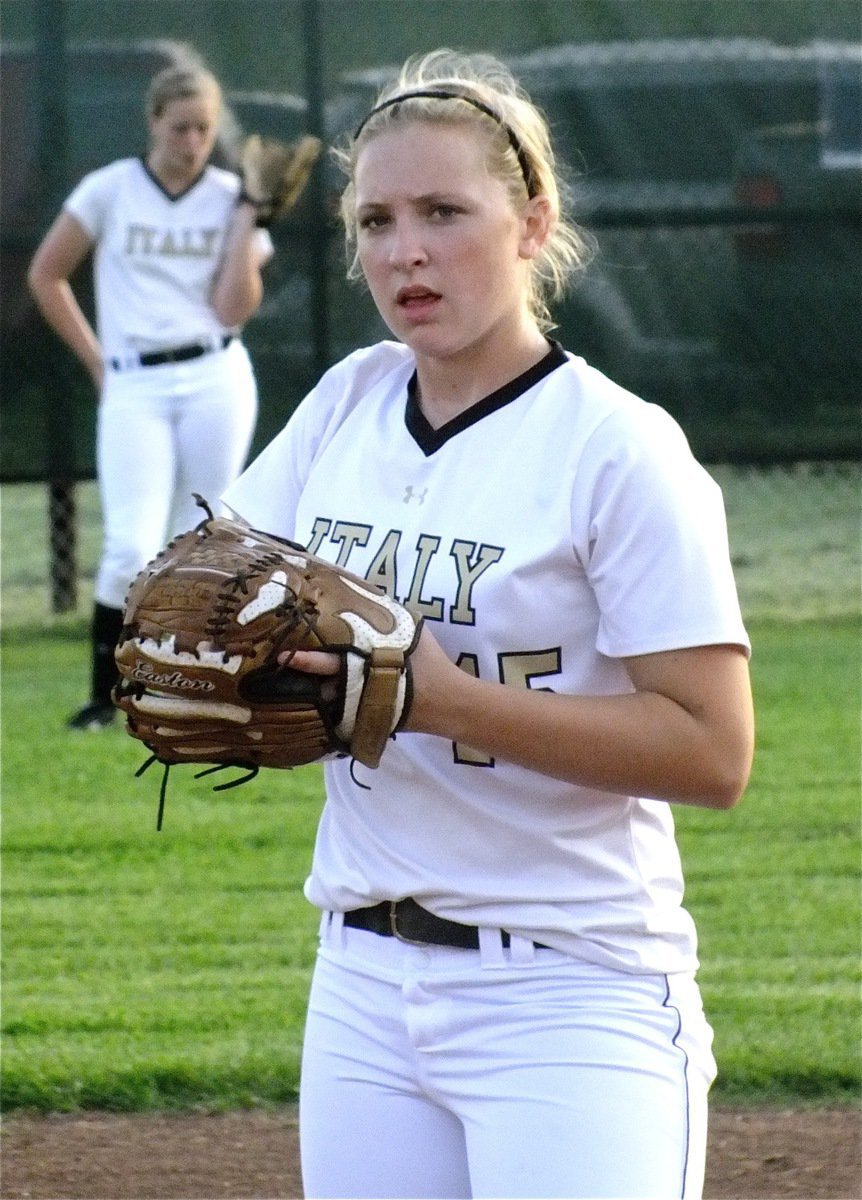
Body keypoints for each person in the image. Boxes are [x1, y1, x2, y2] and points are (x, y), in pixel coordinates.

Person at [222, 49, 755, 1200]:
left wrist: (436, 695)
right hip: (361, 985)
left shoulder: (616, 449)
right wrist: (216, 669)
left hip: (570, 991)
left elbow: (711, 753)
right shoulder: (348, 403)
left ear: (530, 224)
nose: (403, 250)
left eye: (442, 212)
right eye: (374, 219)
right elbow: (220, 589)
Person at [28, 54, 273, 730]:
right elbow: (47, 275)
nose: (192, 142)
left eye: (203, 128)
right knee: (130, 547)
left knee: (200, 540)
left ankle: (185, 687)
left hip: (214, 374)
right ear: (153, 123)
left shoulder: (230, 195)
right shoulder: (110, 190)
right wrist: (96, 361)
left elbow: (232, 310)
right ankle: (104, 695)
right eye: (179, 128)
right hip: (135, 379)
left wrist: (250, 216)